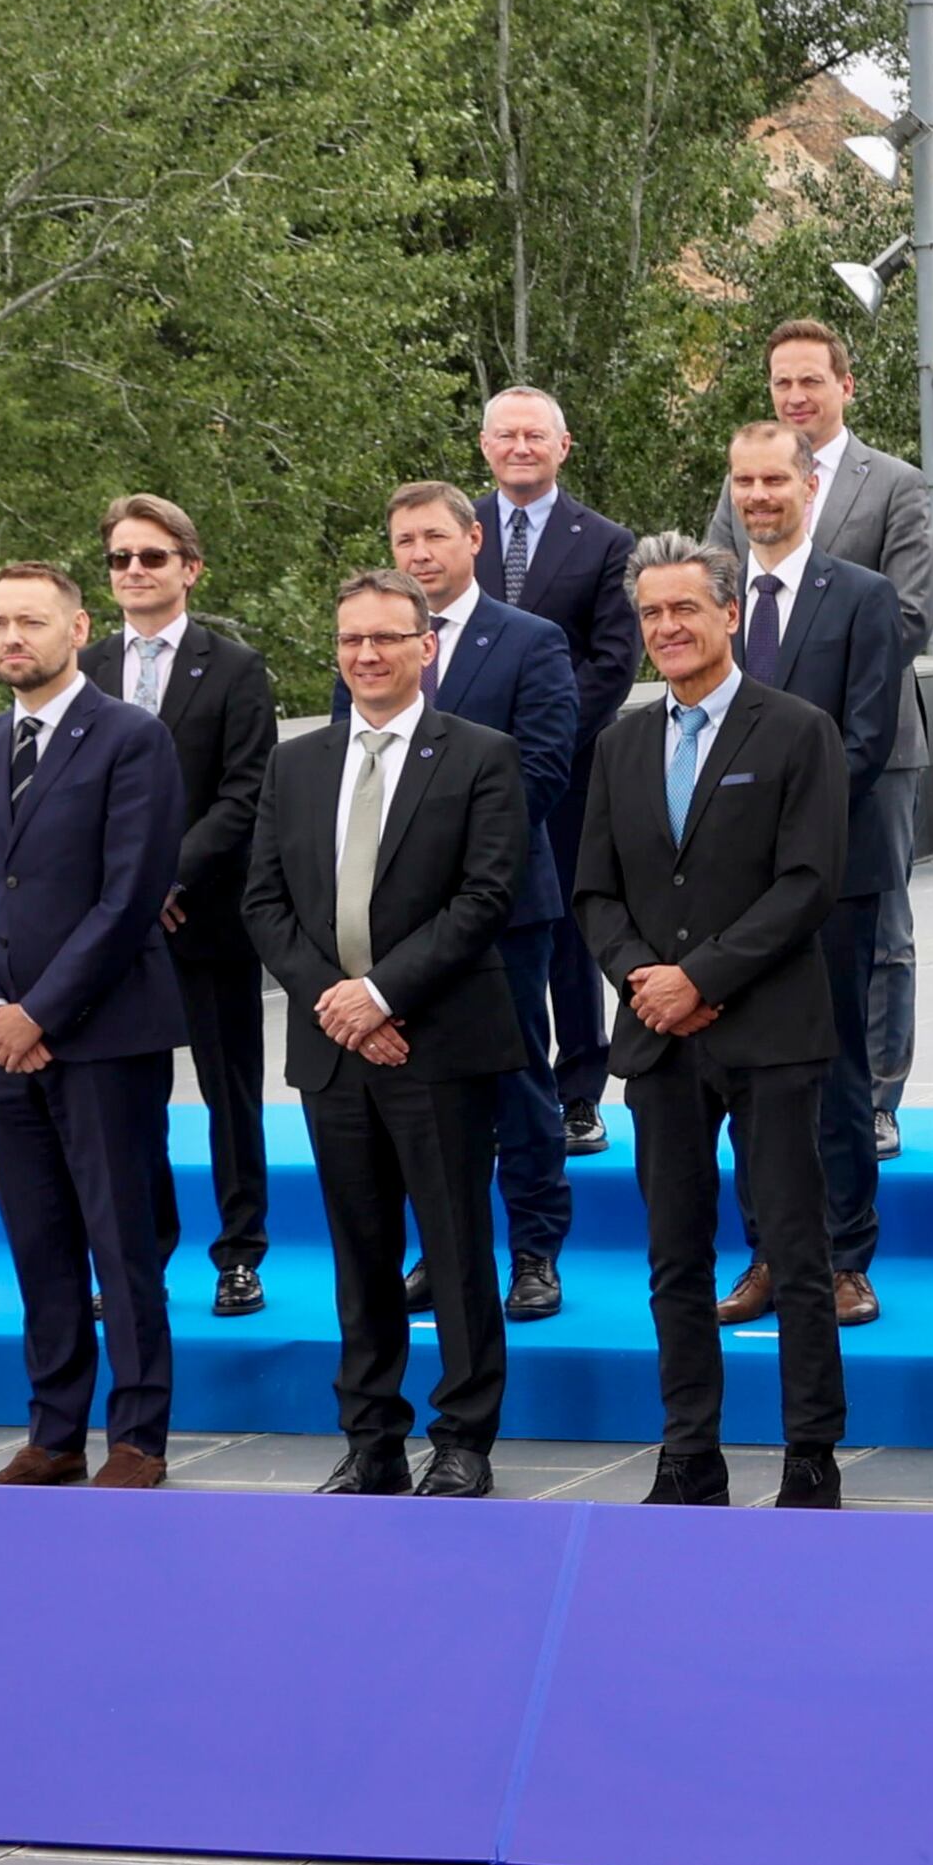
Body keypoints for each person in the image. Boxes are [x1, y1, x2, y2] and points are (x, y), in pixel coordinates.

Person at [236, 572, 533, 1499]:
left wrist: (383, 996)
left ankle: (463, 1439)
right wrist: (339, 1003)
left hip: (440, 1044)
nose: (368, 655)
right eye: (352, 641)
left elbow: (485, 898)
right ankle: (370, 1439)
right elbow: (265, 901)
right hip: (336, 1051)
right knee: (359, 1255)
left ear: (425, 647)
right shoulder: (296, 763)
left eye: (387, 639)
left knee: (452, 1251)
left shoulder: (482, 755)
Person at [572, 537, 850, 1509]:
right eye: (650, 615)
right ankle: (688, 1449)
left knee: (794, 1248)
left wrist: (703, 974)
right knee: (673, 1252)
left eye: (684, 610)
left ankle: (809, 1451)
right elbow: (595, 889)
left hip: (769, 1031)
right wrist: (647, 978)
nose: (666, 630)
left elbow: (809, 881)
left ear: (729, 613)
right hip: (660, 1040)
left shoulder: (796, 730)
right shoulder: (620, 741)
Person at [0, 563, 189, 1490]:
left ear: (79, 630)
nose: (10, 639)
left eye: (29, 621)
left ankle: (139, 1438)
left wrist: (40, 1012)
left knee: (121, 1242)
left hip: (102, 1036)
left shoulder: (131, 738)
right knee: (38, 1241)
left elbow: (129, 898)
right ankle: (53, 1432)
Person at [701, 318, 933, 1156]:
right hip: (746, 755)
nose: (796, 396)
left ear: (846, 385)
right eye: (781, 384)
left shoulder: (898, 485)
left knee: (878, 933)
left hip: (869, 747)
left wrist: (819, 711)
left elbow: (908, 615)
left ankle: (877, 1095)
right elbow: (714, 604)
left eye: (810, 381)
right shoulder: (746, 482)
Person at [721, 421, 914, 1333]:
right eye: (743, 482)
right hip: (722, 888)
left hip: (829, 873)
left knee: (835, 1069)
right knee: (746, 1078)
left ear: (809, 488)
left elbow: (865, 743)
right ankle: (767, 1254)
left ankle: (844, 1260)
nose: (757, 496)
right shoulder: (714, 600)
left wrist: (771, 840)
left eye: (774, 480)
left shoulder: (863, 597)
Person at [384, 480, 581, 1324]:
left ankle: (535, 1252)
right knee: (427, 1095)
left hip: (504, 909)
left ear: (474, 540)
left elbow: (543, 769)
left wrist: (459, 869)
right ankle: (443, 1250)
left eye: (433, 537)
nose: (419, 555)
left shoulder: (531, 641)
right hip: (399, 918)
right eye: (404, 542)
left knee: (519, 1086)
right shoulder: (377, 638)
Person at [84, 496, 279, 1317]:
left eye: (152, 557)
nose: (135, 571)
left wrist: (163, 882)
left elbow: (245, 794)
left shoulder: (234, 667)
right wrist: (116, 900)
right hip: (110, 937)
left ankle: (239, 1256)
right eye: (122, 559)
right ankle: (143, 1255)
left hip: (206, 919)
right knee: (130, 1103)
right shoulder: (85, 667)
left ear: (189, 568)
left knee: (228, 1097)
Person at [475, 386, 639, 1157]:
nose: (519, 447)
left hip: (569, 770)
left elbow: (613, 661)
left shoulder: (607, 541)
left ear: (562, 446)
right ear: (485, 446)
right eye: (505, 435)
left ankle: (580, 1093)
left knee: (572, 932)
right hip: (459, 776)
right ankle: (499, 1081)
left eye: (534, 435)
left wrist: (541, 743)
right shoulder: (453, 532)